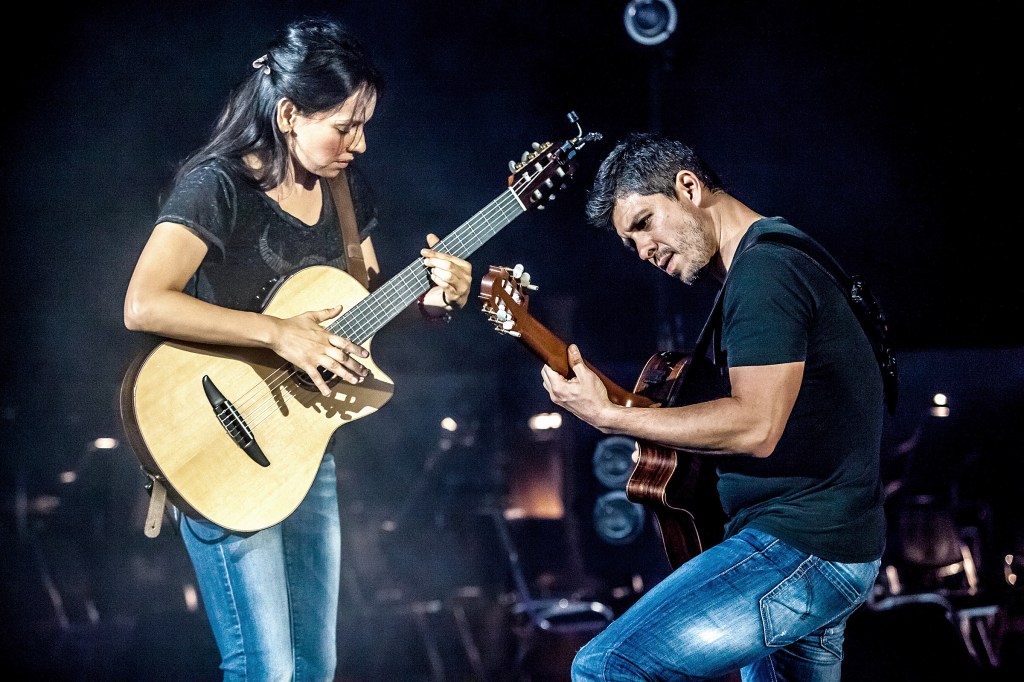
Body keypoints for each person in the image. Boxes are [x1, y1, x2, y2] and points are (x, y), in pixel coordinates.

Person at [123, 16, 472, 680]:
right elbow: (144, 303)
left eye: (364, 125)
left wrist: (430, 301)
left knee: (315, 668)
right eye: (345, 125)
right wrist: (277, 332)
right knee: (267, 670)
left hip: (305, 456)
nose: (359, 144)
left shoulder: (344, 192)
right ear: (288, 113)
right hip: (214, 446)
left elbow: (363, 313)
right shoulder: (218, 185)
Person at [540, 133, 887, 681]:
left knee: (609, 666)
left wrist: (609, 417)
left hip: (797, 550)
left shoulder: (765, 273)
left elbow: (754, 426)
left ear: (688, 187)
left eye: (644, 223)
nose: (644, 251)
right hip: (826, 549)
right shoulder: (771, 262)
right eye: (630, 245)